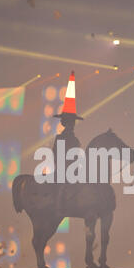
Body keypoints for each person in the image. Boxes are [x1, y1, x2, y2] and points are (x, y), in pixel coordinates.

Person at [52, 71, 83, 216]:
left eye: (73, 121)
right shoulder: (62, 139)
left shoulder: (73, 139)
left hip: (74, 169)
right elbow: (56, 155)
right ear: (66, 122)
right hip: (64, 170)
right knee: (63, 185)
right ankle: (59, 207)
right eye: (71, 121)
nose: (72, 124)